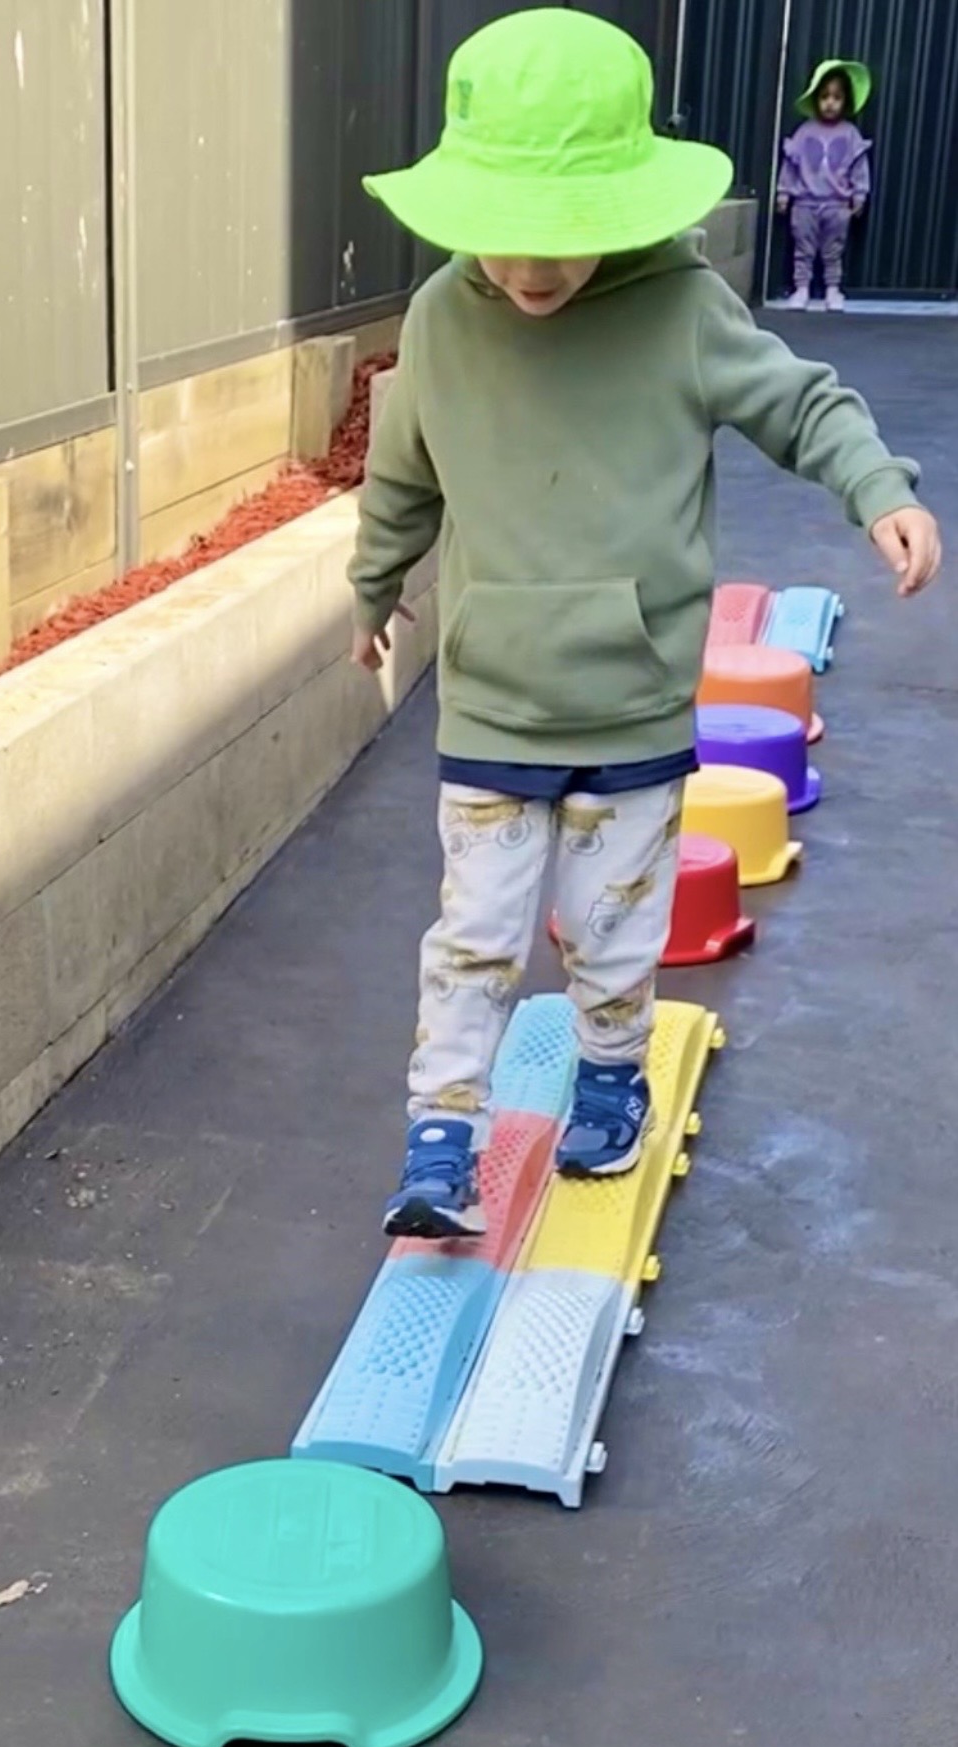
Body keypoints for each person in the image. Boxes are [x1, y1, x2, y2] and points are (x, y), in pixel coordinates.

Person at [349, 9, 941, 1242]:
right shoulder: (442, 319)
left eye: (562, 239)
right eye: (505, 237)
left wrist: (878, 489)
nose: (530, 271)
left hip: (632, 700)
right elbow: (401, 476)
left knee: (614, 929)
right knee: (475, 935)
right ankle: (442, 1132)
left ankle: (611, 1076)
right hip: (494, 700)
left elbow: (801, 402)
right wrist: (373, 588)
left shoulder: (680, 307)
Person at [777, 58, 873, 311]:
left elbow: (859, 168)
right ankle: (801, 289)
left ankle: (833, 289)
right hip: (804, 203)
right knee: (803, 249)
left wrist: (859, 195)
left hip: (837, 205)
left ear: (845, 102)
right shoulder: (805, 132)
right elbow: (791, 164)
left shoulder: (850, 134)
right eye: (824, 97)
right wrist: (784, 192)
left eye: (837, 97)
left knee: (833, 250)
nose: (830, 103)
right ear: (816, 100)